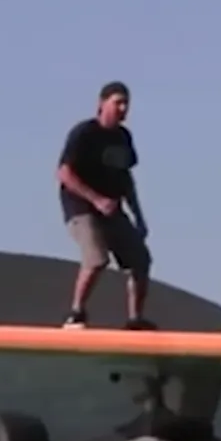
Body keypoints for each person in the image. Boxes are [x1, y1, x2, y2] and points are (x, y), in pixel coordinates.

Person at [56, 81, 154, 330]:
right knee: (97, 258)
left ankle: (135, 320)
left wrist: (138, 216)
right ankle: (76, 313)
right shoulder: (84, 133)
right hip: (82, 207)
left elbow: (126, 178)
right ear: (102, 103)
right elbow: (64, 173)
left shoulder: (123, 137)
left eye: (126, 103)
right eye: (117, 102)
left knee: (140, 260)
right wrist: (95, 200)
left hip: (111, 208)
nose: (123, 108)